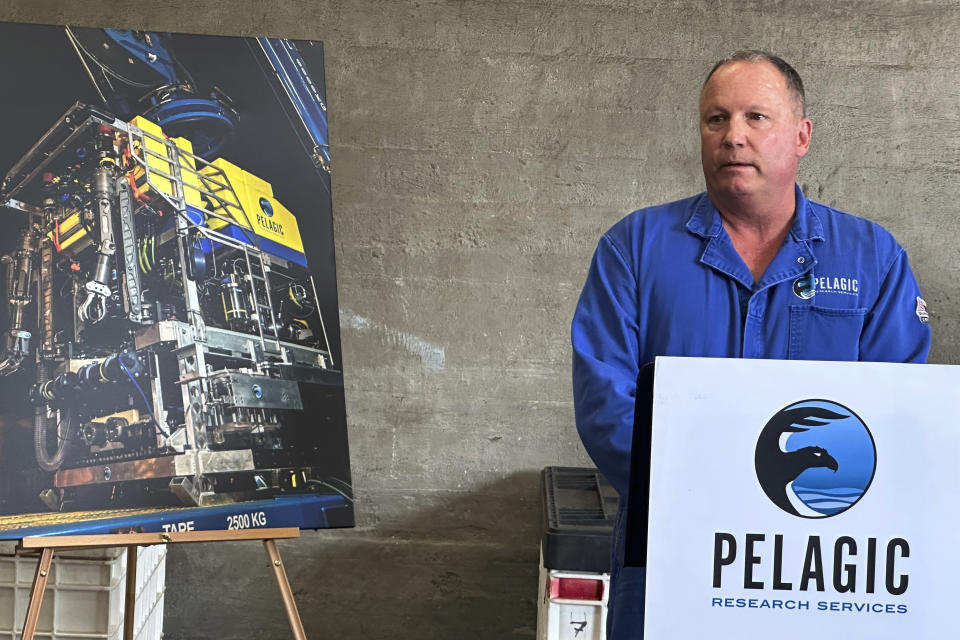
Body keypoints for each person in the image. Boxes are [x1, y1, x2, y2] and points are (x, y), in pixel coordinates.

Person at [570, 50, 931, 639]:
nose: (733, 136)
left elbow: (899, 411)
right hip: (672, 551)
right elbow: (605, 403)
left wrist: (788, 511)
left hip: (818, 563)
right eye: (716, 119)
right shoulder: (633, 249)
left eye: (756, 117)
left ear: (802, 135)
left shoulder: (874, 259)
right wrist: (707, 498)